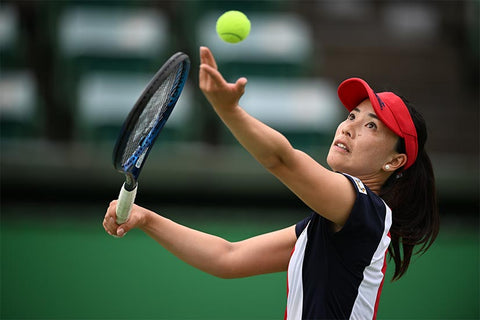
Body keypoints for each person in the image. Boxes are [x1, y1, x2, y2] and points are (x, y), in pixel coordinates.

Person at [103, 46, 440, 319]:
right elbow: (228, 257)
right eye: (352, 116)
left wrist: (229, 110)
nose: (349, 126)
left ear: (394, 161)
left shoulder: (365, 210)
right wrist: (146, 219)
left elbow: (282, 160)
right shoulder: (325, 226)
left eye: (372, 126)